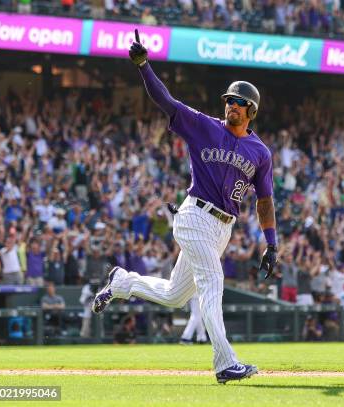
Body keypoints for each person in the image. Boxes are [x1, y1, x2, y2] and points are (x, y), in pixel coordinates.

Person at [93, 29, 278, 384]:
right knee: (213, 283)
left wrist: (272, 243)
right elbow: (166, 101)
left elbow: (265, 201)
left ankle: (121, 282)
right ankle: (225, 364)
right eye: (228, 100)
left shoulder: (261, 153)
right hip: (195, 215)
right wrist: (144, 66)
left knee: (176, 296)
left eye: (238, 102)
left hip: (222, 228)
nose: (231, 105)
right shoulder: (205, 127)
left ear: (251, 110)